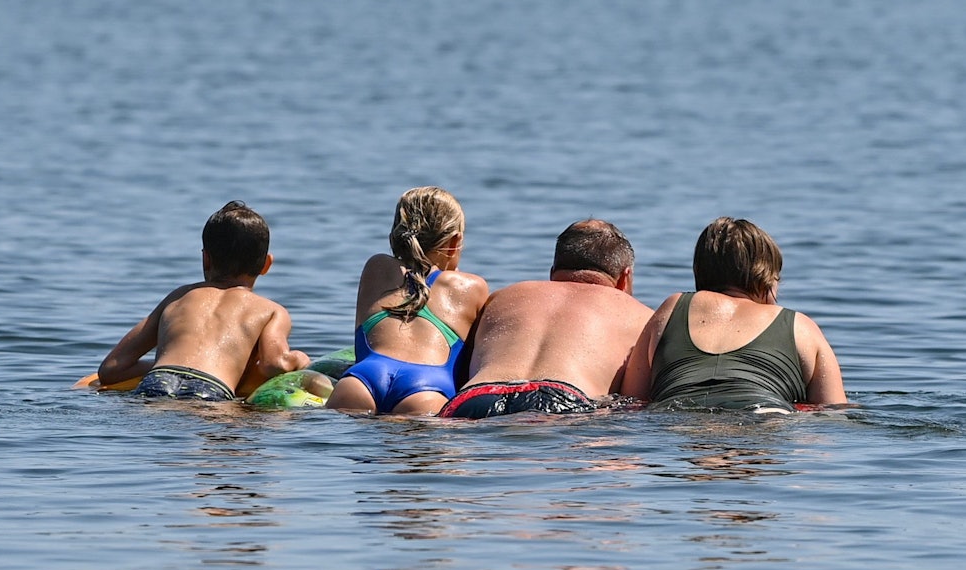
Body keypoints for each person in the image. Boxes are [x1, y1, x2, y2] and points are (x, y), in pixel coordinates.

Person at [620, 217, 847, 412]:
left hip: (679, 419)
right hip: (765, 416)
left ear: (699, 271)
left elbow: (631, 400)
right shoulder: (800, 326)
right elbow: (834, 411)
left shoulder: (672, 307)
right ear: (767, 277)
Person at [439, 219, 653, 419]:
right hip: (565, 400)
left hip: (476, 396)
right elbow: (637, 400)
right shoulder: (639, 314)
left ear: (553, 273)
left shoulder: (501, 297)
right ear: (625, 278)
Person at [98, 201, 310, 401]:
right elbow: (274, 364)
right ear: (266, 265)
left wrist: (163, 364)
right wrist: (300, 359)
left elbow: (111, 369)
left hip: (157, 380)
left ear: (205, 258)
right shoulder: (272, 311)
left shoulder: (179, 295)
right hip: (212, 389)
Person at [326, 187, 489, 415]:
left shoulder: (376, 267)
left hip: (361, 382)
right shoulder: (471, 287)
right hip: (426, 391)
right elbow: (469, 369)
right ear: (455, 242)